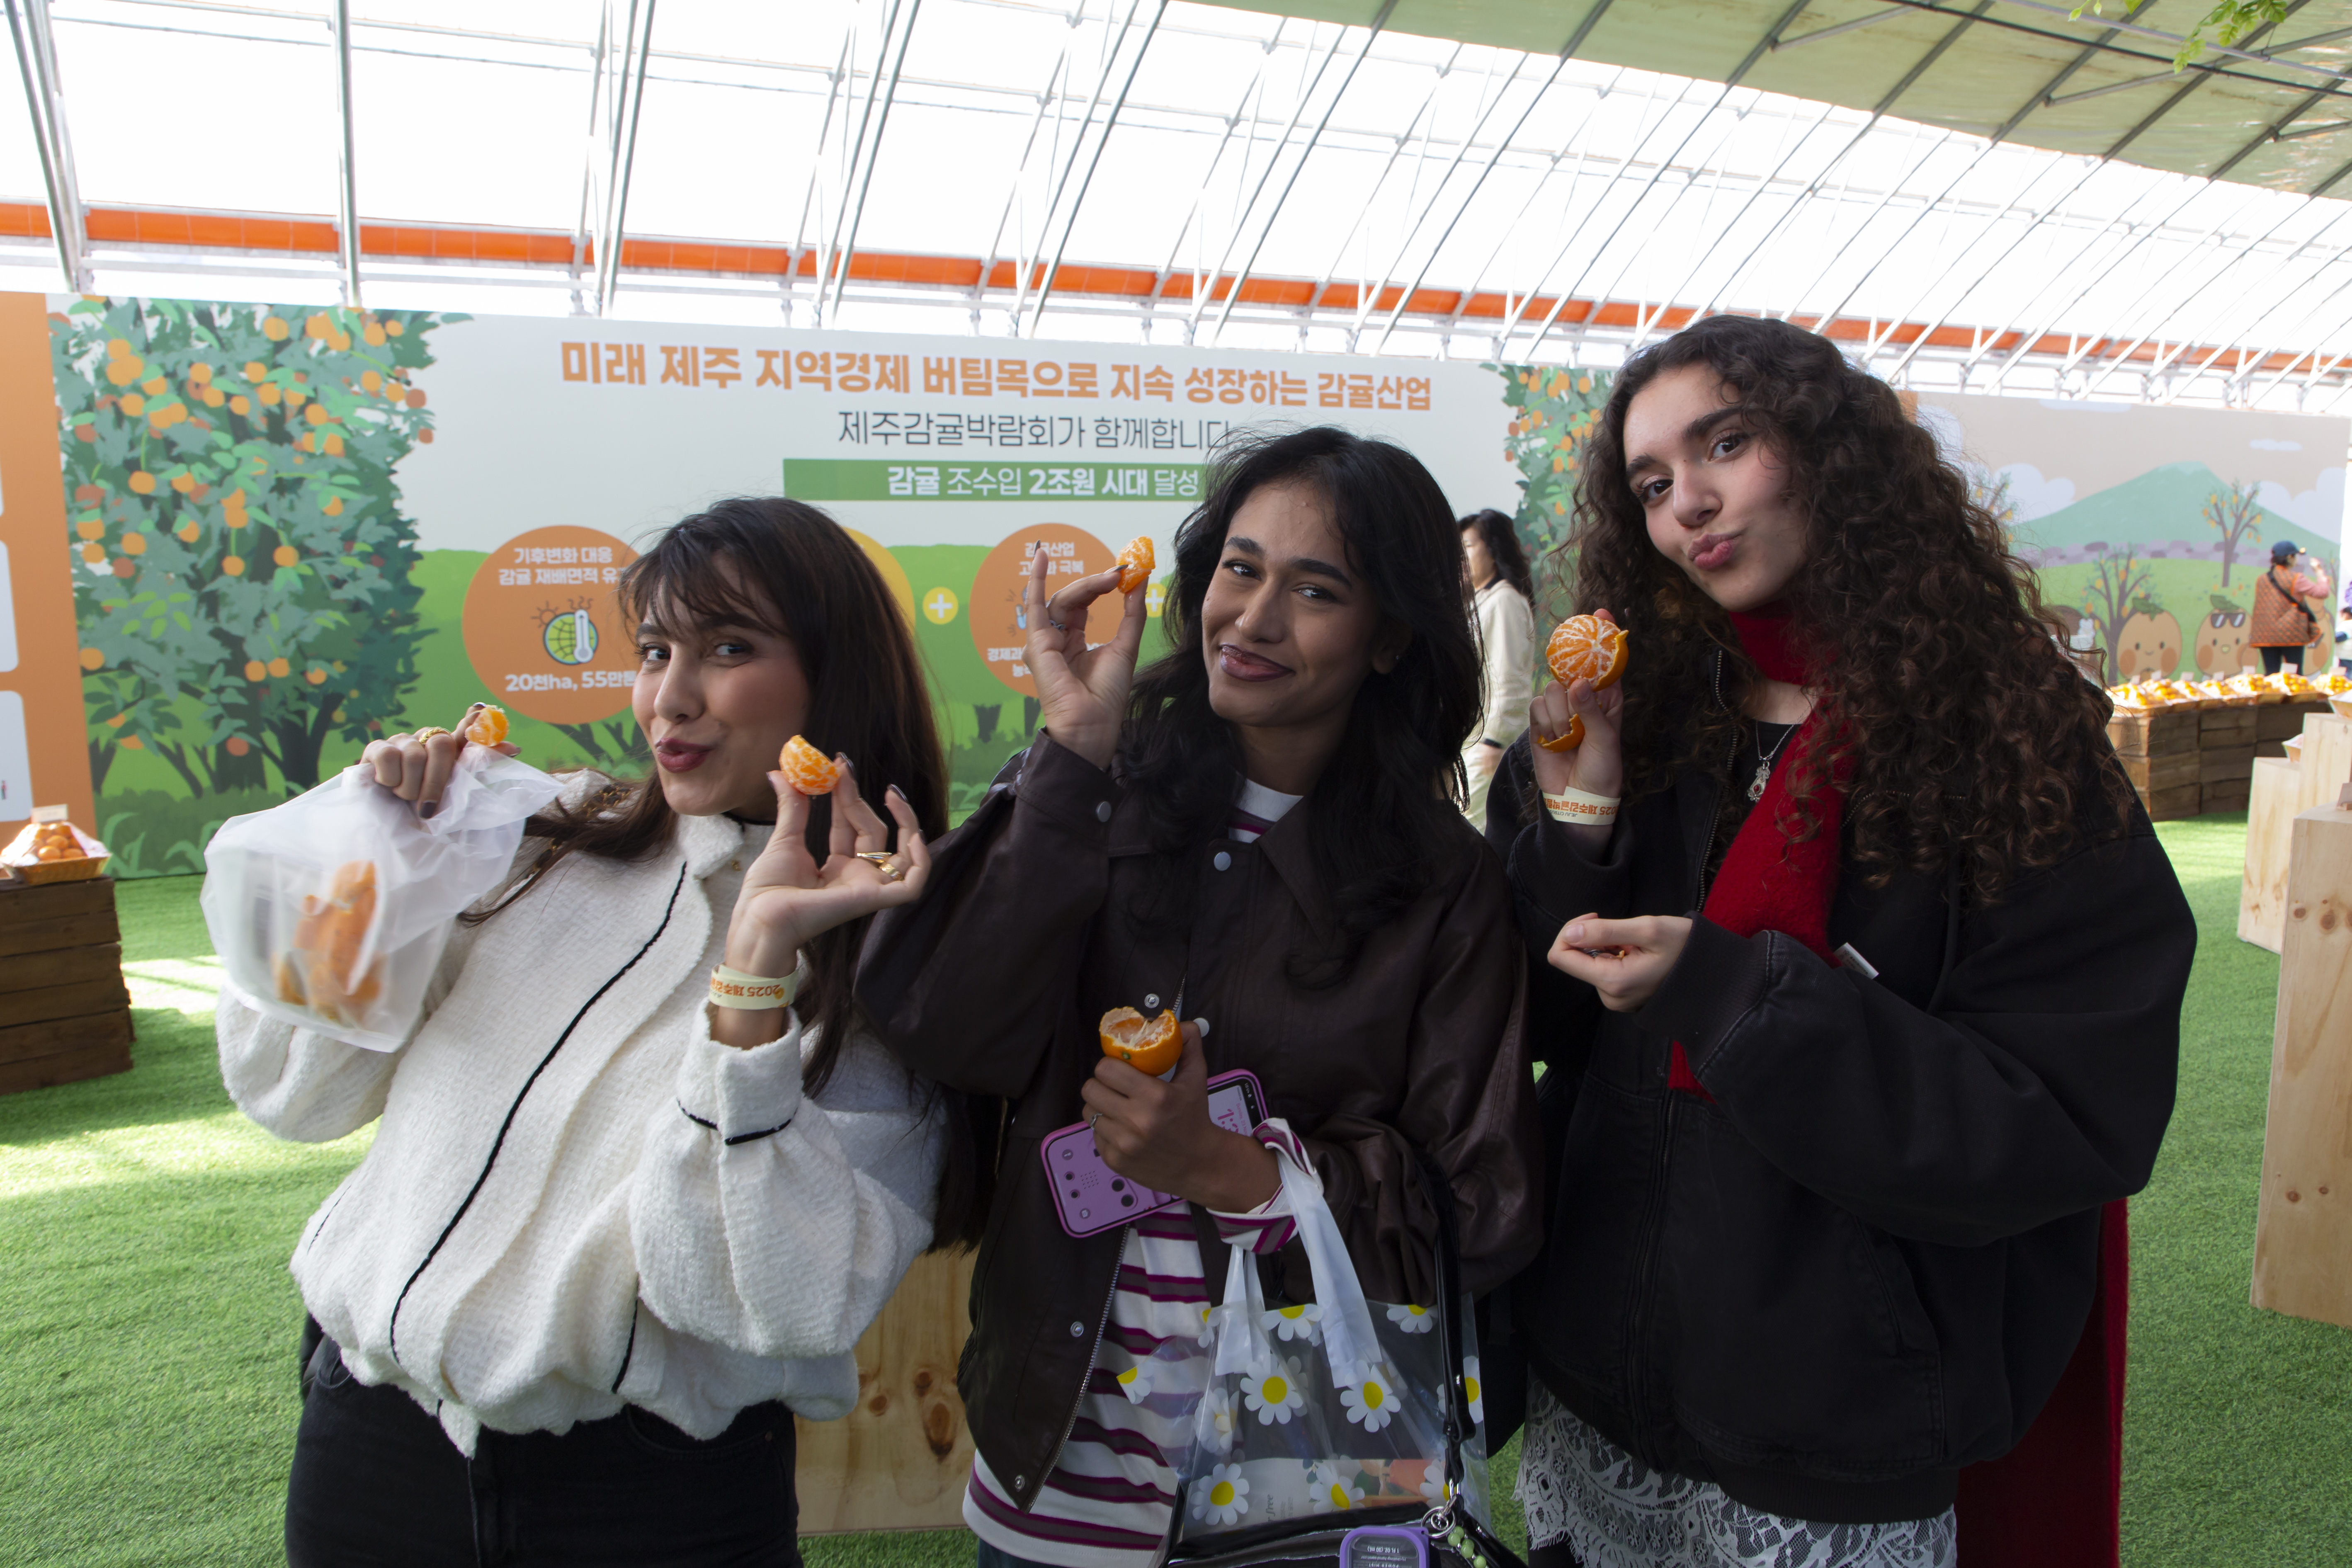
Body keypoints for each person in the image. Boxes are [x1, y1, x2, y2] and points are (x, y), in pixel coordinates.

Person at [1485, 316, 2192, 1568]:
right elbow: (1531, 1027)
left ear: (1827, 451)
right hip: (1600, 1380)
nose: (1687, 503)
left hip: (1841, 1421)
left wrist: (1735, 997)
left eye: (1725, 444)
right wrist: (1578, 824)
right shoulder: (1635, 716)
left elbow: (2071, 1114)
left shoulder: (2008, 739)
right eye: (1649, 483)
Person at [220, 498, 976, 1568]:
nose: (671, 695)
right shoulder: (541, 841)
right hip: (372, 1442)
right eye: (656, 650)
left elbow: (763, 1297)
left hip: (647, 1497)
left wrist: (754, 969)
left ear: (835, 676)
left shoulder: (898, 956)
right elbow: (293, 1085)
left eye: (728, 649)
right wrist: (373, 851)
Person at [857, 427, 1543, 1568]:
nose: (1254, 618)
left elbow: (1486, 1203)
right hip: (1059, 1464)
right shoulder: (1094, 789)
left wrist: (1238, 1173)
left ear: (1389, 638)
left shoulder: (1443, 881)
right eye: (1240, 566)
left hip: (1310, 1476)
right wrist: (1073, 754)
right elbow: (948, 1030)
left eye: (1316, 589)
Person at [1461, 507, 1538, 831]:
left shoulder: (1504, 600)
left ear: (1492, 550)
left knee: (1472, 832)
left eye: (1467, 547)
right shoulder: (1478, 601)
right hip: (1471, 743)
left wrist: (1494, 742)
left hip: (1488, 745)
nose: (1460, 558)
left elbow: (1510, 678)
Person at [2252, 539, 2332, 674]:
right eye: (2295, 556)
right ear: (2290, 558)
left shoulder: (2262, 579)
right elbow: (2322, 593)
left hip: (2265, 636)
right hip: (2291, 634)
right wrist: (2319, 572)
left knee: (2271, 675)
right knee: (2294, 675)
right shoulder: (2296, 579)